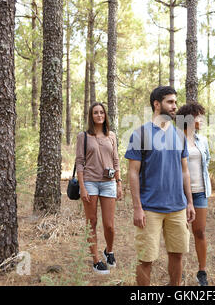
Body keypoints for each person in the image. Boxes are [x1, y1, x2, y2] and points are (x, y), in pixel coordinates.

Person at [125, 86, 196, 286]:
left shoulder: (180, 136)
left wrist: (189, 202)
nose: (175, 106)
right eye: (170, 102)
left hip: (177, 208)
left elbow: (185, 171)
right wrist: (137, 208)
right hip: (150, 209)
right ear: (157, 104)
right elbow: (133, 172)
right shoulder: (140, 134)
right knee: (146, 259)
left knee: (177, 256)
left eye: (175, 102)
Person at [75, 102, 123, 275]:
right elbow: (79, 162)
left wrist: (119, 183)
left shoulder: (111, 136)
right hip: (90, 182)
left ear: (105, 115)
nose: (99, 115)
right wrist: (82, 187)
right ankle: (96, 260)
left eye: (101, 112)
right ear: (91, 116)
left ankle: (108, 251)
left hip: (109, 182)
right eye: (95, 113)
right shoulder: (83, 136)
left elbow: (116, 161)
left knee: (109, 225)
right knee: (92, 222)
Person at [176, 102, 212, 286]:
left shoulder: (202, 140)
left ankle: (202, 272)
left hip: (200, 192)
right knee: (181, 234)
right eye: (198, 116)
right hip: (180, 193)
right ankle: (178, 271)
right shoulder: (176, 139)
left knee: (200, 232)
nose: (201, 119)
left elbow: (207, 161)